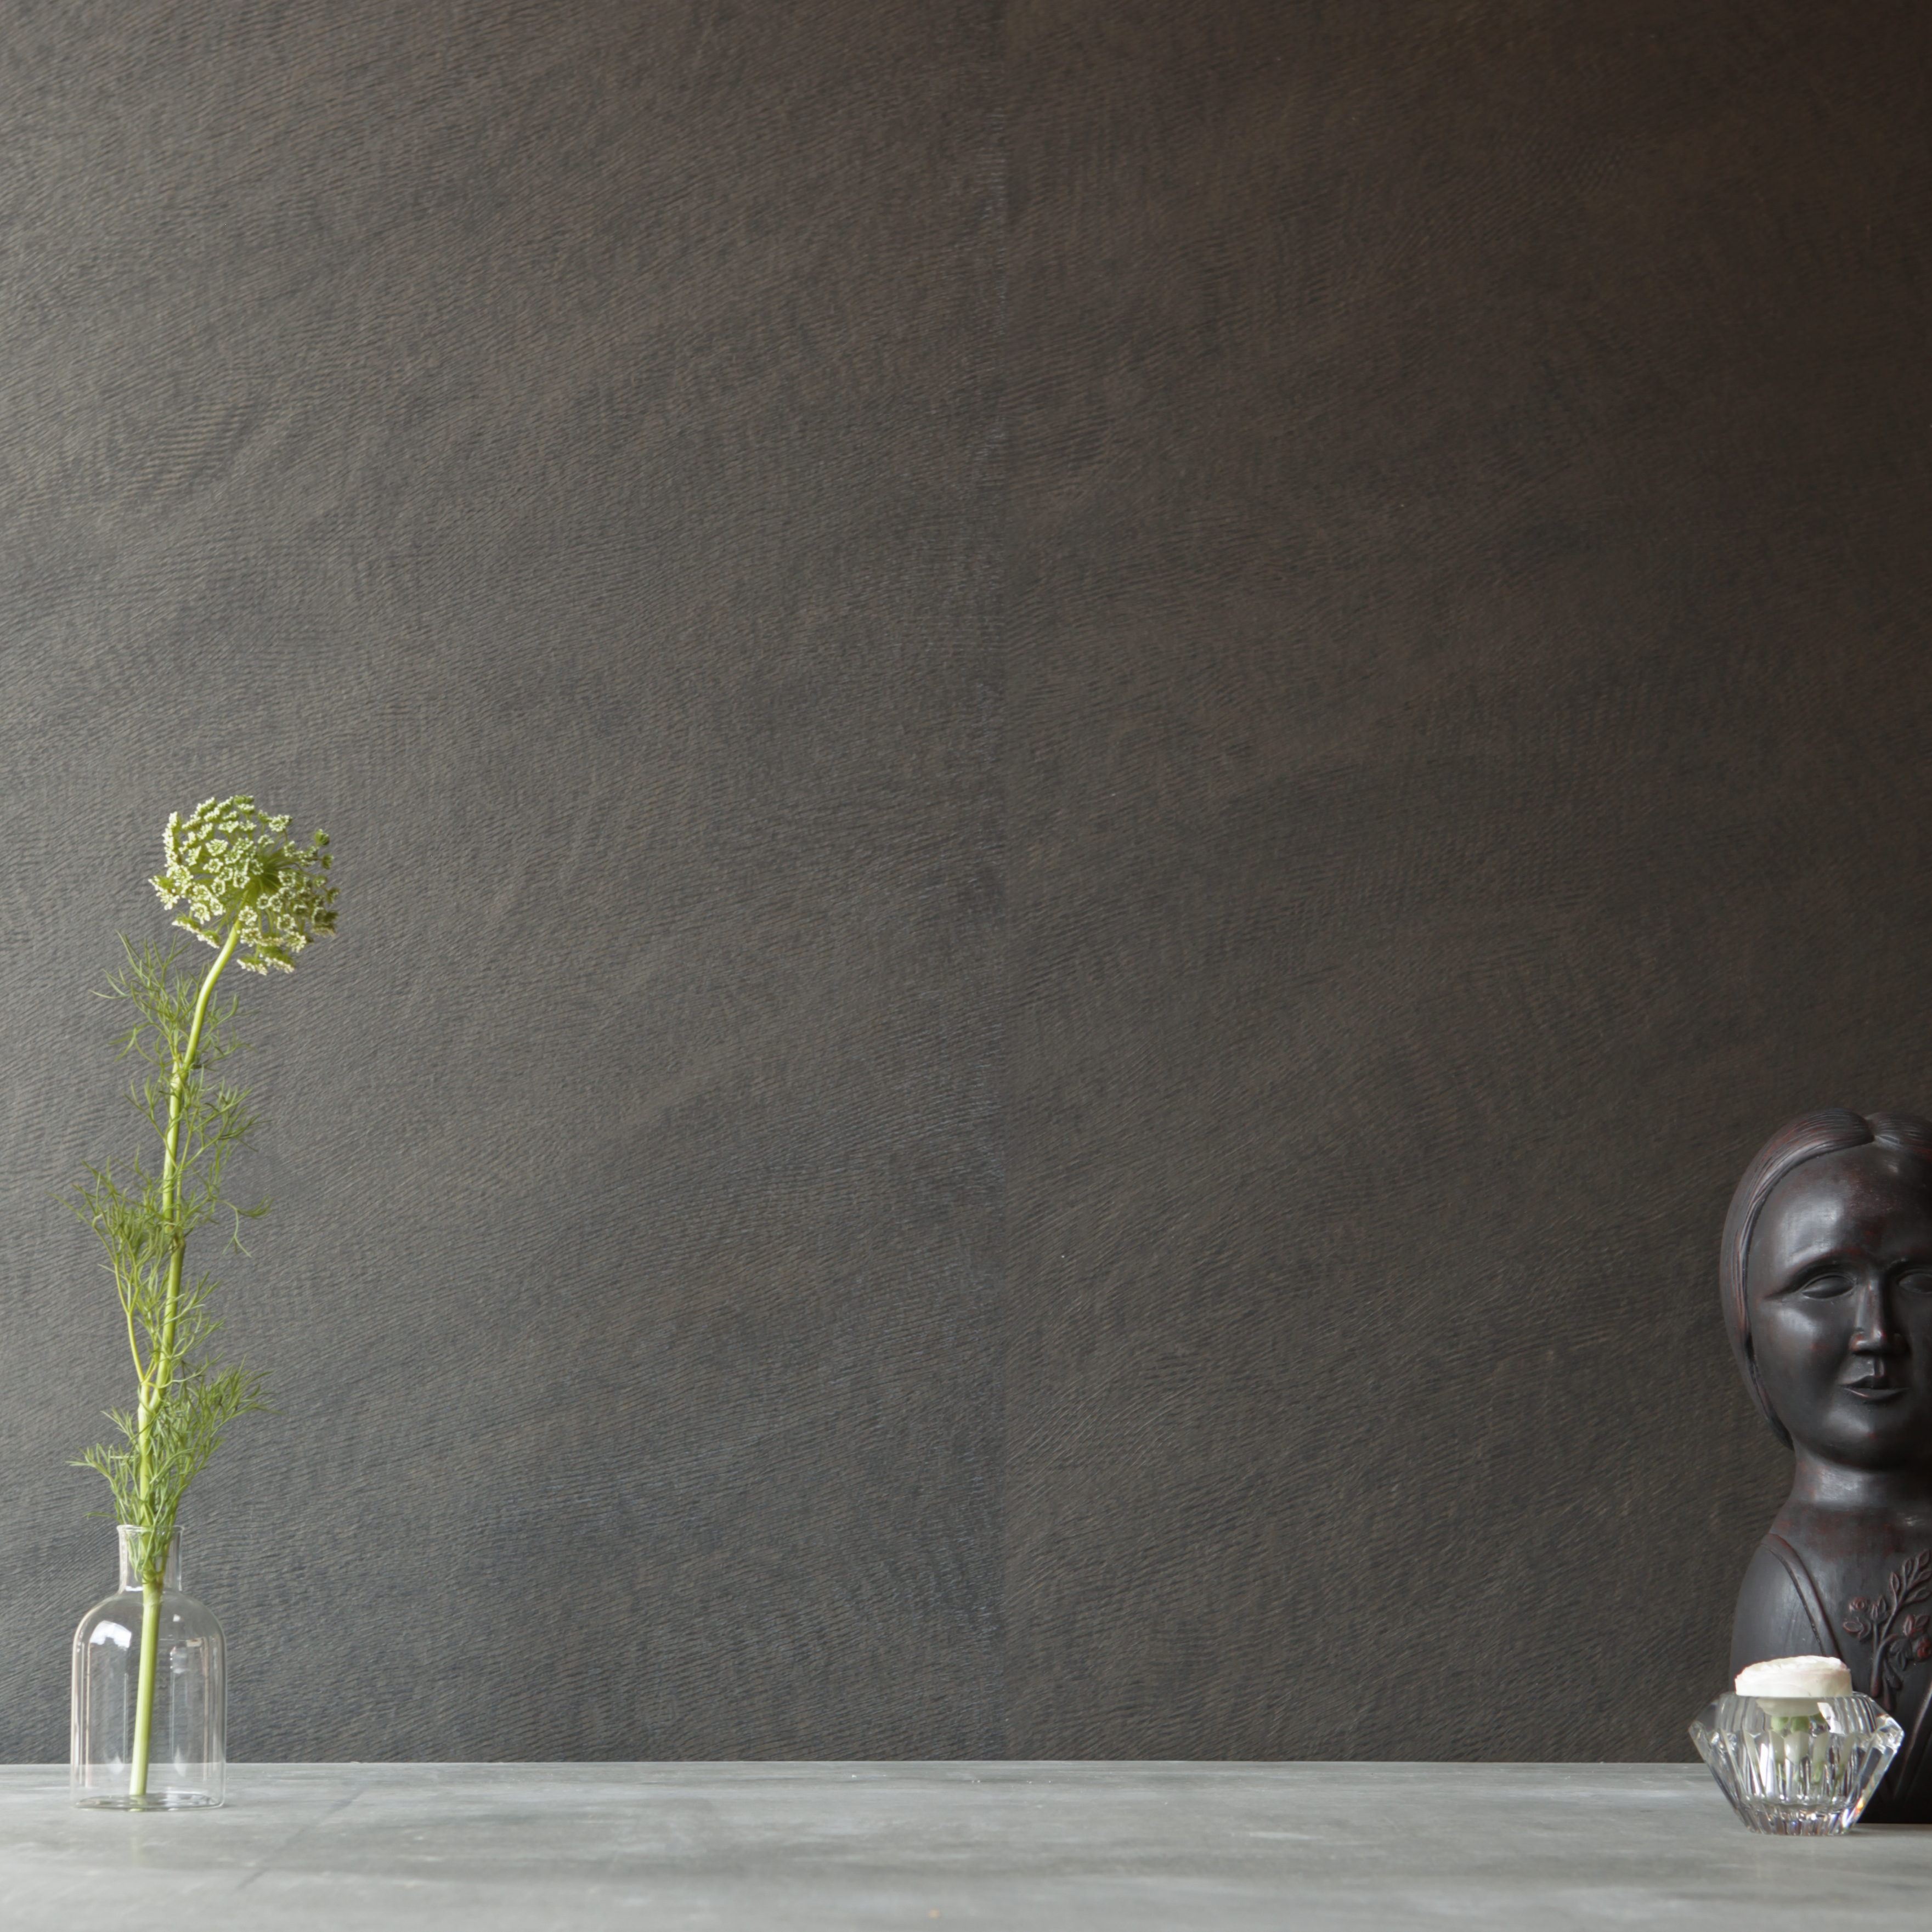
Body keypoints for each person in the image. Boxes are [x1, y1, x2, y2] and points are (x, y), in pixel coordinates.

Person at [1725, 1109, 1932, 1822]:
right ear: (1748, 1324)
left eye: (1919, 1282)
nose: (1878, 1332)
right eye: (1824, 1285)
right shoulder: (1788, 1587)